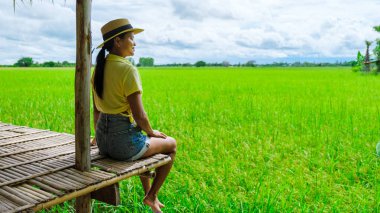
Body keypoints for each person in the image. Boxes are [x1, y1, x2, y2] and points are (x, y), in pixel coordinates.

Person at [90, 18, 176, 213]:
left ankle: (150, 197)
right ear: (117, 41)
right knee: (170, 144)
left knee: (144, 140)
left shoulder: (99, 70)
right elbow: (140, 115)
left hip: (104, 143)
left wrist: (97, 135)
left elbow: (96, 109)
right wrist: (151, 131)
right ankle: (152, 195)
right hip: (123, 146)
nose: (135, 43)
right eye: (131, 38)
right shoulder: (127, 69)